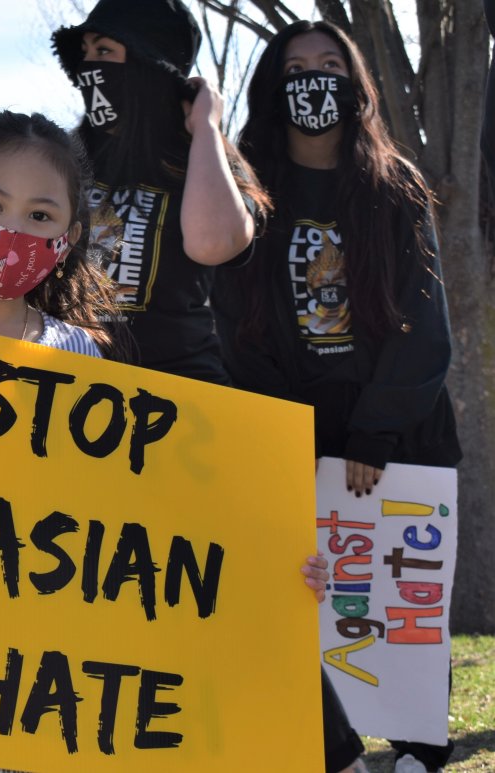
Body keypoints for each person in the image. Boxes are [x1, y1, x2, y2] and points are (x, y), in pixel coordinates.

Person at [0, 110, 326, 773]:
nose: (11, 229)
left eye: (39, 215)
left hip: (66, 701)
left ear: (67, 237)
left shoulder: (80, 355)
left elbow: (135, 530)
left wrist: (271, 572)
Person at [216, 20, 461, 773]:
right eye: (296, 67)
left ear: (355, 85)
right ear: (270, 85)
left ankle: (421, 748)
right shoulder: (244, 191)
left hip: (399, 434)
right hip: (294, 438)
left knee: (404, 596)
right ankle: (335, 751)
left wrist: (373, 431)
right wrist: (287, 433)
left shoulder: (394, 187)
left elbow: (424, 319)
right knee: (307, 600)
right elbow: (230, 325)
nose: (313, 79)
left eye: (330, 65)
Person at [49, 0, 269, 384]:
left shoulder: (204, 157)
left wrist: (205, 126)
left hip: (177, 388)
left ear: (148, 65)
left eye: (104, 51)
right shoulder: (62, 156)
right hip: (65, 377)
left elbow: (214, 244)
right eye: (84, 54)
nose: (90, 68)